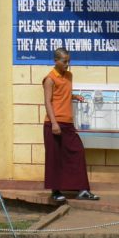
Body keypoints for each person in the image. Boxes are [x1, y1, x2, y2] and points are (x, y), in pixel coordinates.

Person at [43, 47, 99, 202]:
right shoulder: (49, 78)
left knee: (78, 151)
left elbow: (63, 93)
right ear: (55, 61)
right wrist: (54, 123)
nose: (67, 64)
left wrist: (75, 96)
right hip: (53, 124)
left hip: (67, 123)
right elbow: (48, 101)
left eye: (68, 61)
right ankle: (55, 192)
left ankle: (82, 190)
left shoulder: (69, 76)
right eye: (64, 61)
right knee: (55, 158)